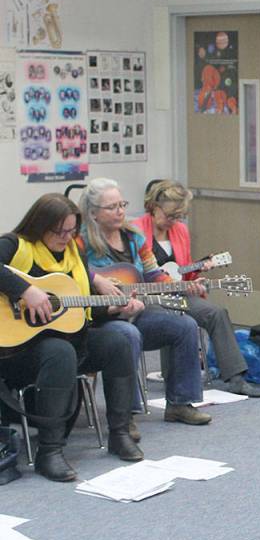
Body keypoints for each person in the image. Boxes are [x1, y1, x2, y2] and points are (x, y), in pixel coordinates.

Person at [0, 194, 144, 481]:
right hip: (17, 352)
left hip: (69, 341)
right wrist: (25, 291)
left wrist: (112, 309)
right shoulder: (16, 245)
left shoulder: (73, 254)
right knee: (59, 351)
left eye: (71, 231)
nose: (66, 238)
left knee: (119, 340)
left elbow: (76, 312)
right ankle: (50, 451)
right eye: (59, 231)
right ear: (40, 225)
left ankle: (119, 431)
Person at [78, 177, 210, 427]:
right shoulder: (81, 241)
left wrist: (181, 285)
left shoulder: (134, 237)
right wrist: (96, 279)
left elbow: (152, 274)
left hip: (137, 310)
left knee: (184, 325)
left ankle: (180, 403)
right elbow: (70, 270)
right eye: (112, 207)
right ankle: (125, 415)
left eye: (122, 204)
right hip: (101, 318)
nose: (120, 211)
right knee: (127, 335)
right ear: (93, 213)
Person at [132, 180, 260, 397]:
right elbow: (134, 272)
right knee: (176, 318)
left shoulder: (180, 231)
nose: (174, 221)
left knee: (216, 313)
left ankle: (236, 377)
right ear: (154, 207)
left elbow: (185, 272)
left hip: (178, 292)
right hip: (148, 297)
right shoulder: (136, 230)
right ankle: (177, 379)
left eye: (178, 216)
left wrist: (197, 278)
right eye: (170, 215)